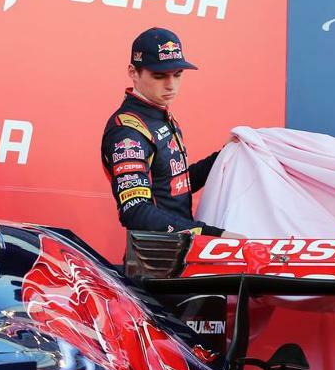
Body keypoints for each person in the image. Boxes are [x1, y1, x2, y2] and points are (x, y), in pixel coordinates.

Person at [101, 28, 238, 237]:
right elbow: (135, 210)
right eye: (159, 76)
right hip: (153, 261)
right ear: (133, 72)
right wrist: (210, 234)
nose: (170, 85)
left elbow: (173, 186)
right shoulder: (128, 131)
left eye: (177, 75)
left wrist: (226, 155)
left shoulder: (158, 116)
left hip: (177, 255)